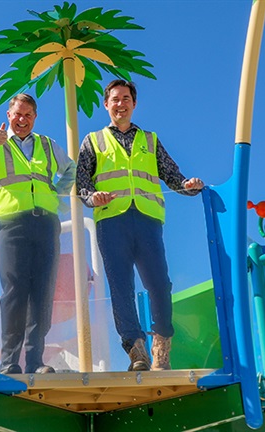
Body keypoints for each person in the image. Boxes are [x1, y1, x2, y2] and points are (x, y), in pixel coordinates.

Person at [76, 80, 204, 371]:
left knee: (160, 285)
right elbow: (82, 183)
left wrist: (189, 186)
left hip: (147, 219)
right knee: (121, 286)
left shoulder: (150, 139)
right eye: (115, 99)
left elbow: (173, 176)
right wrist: (92, 197)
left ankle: (162, 347)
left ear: (134, 104)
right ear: (106, 104)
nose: (120, 104)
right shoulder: (93, 141)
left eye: (126, 99)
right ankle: (136, 350)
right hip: (111, 220)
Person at [0, 93, 76, 374]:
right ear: (8, 115)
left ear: (35, 117)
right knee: (14, 291)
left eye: (28, 115)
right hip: (12, 223)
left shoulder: (48, 145)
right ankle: (9, 362)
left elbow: (71, 169)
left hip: (46, 224)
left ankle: (35, 361)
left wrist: (56, 196)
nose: (22, 120)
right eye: (18, 114)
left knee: (42, 292)